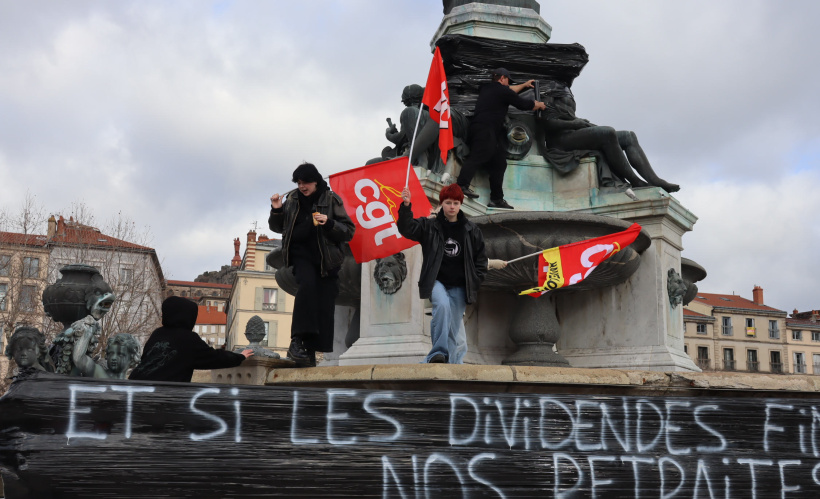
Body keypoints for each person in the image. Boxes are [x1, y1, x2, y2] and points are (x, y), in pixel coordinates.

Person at [268, 163, 356, 367]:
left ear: (315, 181)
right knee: (306, 287)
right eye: (298, 183)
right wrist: (277, 210)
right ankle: (297, 340)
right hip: (301, 255)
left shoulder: (331, 199)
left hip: (327, 259)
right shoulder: (291, 200)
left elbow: (348, 230)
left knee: (325, 302)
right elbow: (277, 227)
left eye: (305, 182)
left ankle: (309, 351)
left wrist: (330, 223)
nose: (302, 186)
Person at [397, 183, 487, 363]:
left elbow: (481, 260)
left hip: (460, 286)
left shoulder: (472, 230)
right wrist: (406, 206)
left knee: (453, 326)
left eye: (455, 203)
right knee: (442, 306)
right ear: (442, 204)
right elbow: (406, 229)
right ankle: (437, 353)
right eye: (448, 203)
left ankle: (451, 363)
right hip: (436, 281)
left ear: (460, 204)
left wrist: (475, 280)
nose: (452, 207)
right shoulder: (429, 226)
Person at [540, 82, 679, 193]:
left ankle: (654, 179)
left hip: (573, 131)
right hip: (560, 140)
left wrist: (582, 123)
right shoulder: (548, 88)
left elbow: (566, 115)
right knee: (607, 133)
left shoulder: (565, 88)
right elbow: (547, 122)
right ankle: (635, 181)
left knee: (628, 136)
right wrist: (575, 123)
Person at [457, 67, 547, 209]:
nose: (508, 83)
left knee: (499, 162)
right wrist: (538, 105)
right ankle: (461, 186)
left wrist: (524, 85)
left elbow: (509, 91)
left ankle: (497, 199)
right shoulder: (502, 91)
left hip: (481, 129)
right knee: (478, 156)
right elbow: (522, 104)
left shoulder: (488, 88)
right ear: (502, 78)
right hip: (485, 129)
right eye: (507, 80)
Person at [129, 296, 252, 382]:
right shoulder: (188, 339)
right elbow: (214, 358)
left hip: (135, 385)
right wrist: (240, 356)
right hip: (162, 396)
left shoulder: (157, 334)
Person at [72, 317, 141, 379]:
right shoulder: (99, 374)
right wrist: (88, 333)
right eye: (110, 353)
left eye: (120, 354)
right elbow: (79, 358)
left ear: (132, 359)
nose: (113, 358)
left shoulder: (131, 385)